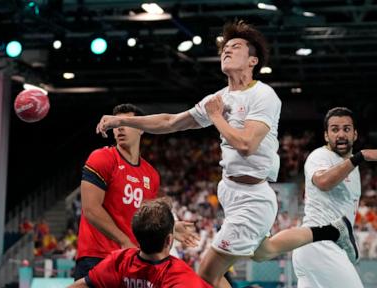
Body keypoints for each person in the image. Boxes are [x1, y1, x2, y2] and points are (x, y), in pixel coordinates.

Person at [96, 21, 357, 287]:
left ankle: (331, 231)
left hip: (252, 199)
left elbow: (246, 145)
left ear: (252, 60)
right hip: (231, 192)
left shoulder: (263, 95)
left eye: (235, 47)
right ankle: (330, 231)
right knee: (263, 251)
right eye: (224, 48)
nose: (227, 51)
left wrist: (216, 118)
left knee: (204, 276)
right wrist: (124, 122)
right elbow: (171, 122)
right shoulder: (219, 98)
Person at [75, 104, 198, 280]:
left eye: (126, 123)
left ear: (141, 128)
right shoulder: (102, 158)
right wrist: (124, 241)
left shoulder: (151, 175)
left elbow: (145, 217)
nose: (120, 128)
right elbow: (91, 209)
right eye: (116, 125)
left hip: (130, 260)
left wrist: (170, 227)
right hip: (97, 256)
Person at [292, 107, 377, 288]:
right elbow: (323, 181)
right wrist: (360, 157)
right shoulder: (320, 156)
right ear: (326, 135)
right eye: (334, 129)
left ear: (355, 134)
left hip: (316, 249)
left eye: (346, 129)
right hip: (320, 245)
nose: (340, 134)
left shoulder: (350, 166)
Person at [69, 198, 212, 288]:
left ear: (137, 238)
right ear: (169, 240)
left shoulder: (119, 262)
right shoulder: (181, 276)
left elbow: (81, 285)